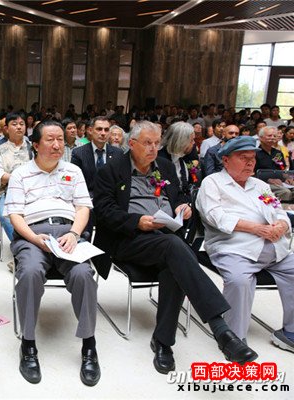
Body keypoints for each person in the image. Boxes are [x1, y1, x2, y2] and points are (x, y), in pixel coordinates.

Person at [92, 120, 258, 375]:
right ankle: (220, 329)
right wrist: (137, 221)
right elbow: (104, 212)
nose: (153, 148)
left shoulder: (166, 167)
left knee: (174, 263)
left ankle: (163, 342)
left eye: (157, 143)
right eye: (147, 143)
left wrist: (183, 206)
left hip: (165, 238)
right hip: (128, 239)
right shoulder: (111, 170)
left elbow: (178, 195)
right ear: (132, 143)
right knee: (176, 247)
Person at [5, 120, 100, 386]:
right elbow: (15, 215)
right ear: (35, 145)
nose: (57, 144)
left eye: (60, 139)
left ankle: (89, 344)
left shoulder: (73, 171)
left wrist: (74, 234)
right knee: (30, 272)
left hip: (69, 233)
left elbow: (83, 208)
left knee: (83, 274)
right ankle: (28, 343)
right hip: (34, 234)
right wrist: (34, 238)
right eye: (50, 139)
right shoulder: (21, 174)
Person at [196, 136, 294, 353]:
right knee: (239, 281)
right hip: (234, 248)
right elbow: (216, 217)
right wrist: (256, 228)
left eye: (253, 158)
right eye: (243, 158)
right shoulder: (212, 183)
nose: (250, 163)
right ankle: (233, 338)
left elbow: (279, 211)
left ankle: (291, 332)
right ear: (226, 160)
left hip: (275, 248)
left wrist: (281, 225)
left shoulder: (260, 185)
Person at [71, 116, 122, 235]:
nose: (103, 133)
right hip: (88, 199)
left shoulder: (118, 153)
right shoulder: (79, 153)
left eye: (106, 130)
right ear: (90, 130)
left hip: (111, 200)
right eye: (99, 129)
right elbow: (75, 183)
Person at [0, 112, 32, 244]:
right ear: (6, 128)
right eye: (14, 124)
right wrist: (21, 177)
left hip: (34, 189)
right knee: (5, 215)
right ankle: (21, 246)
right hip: (9, 191)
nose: (19, 127)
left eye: (22, 124)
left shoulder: (34, 147)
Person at [157, 122, 199, 196]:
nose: (193, 143)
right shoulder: (159, 161)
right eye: (191, 140)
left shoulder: (181, 160)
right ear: (182, 142)